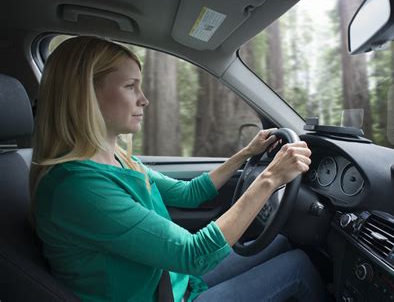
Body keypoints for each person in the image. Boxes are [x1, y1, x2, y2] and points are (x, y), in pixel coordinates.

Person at [30, 36, 328, 301]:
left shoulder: (117, 159)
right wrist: (271, 177)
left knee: (279, 243)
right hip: (163, 292)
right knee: (297, 267)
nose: (144, 99)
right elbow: (194, 254)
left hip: (171, 282)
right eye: (130, 86)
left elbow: (189, 193)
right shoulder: (77, 187)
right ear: (86, 96)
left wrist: (247, 154)